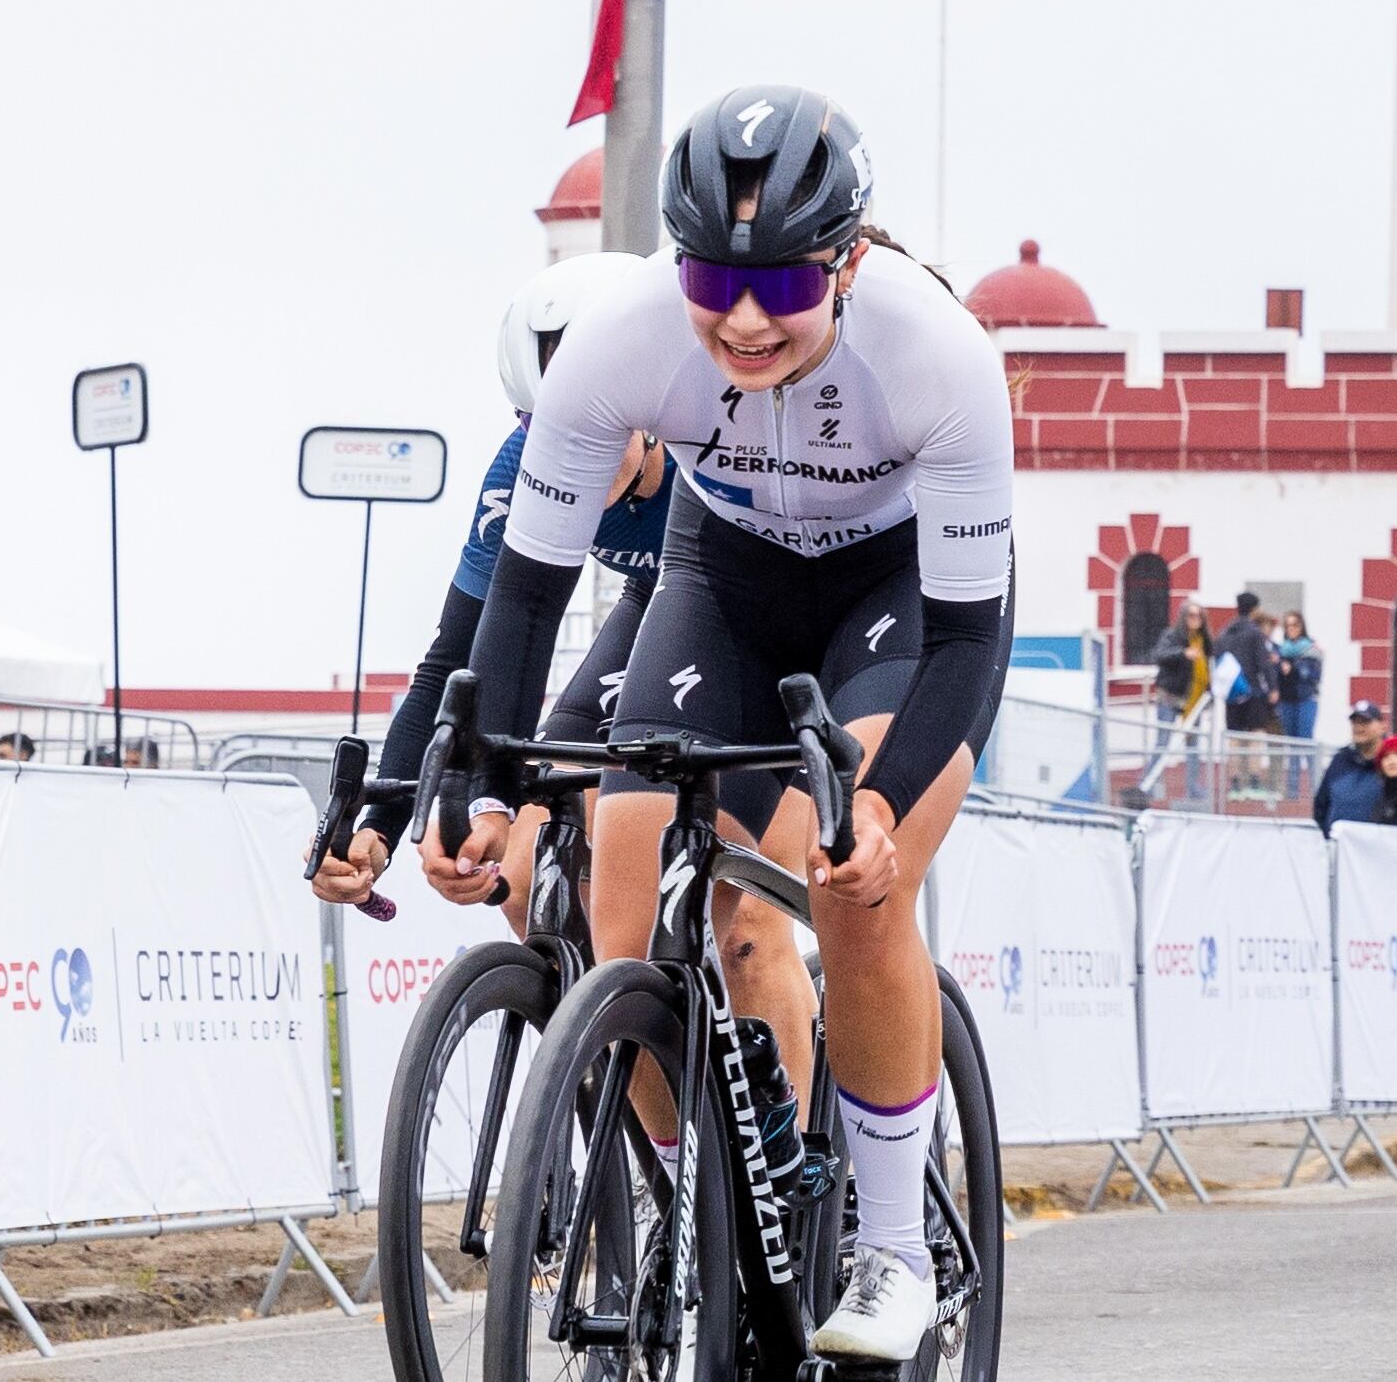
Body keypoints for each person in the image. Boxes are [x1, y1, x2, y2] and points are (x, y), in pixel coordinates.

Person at [419, 85, 1013, 1361]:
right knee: (626, 879)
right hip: (726, 578)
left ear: (847, 263)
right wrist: (482, 791)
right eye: (713, 283)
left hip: (897, 597)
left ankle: (893, 1250)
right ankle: (704, 1198)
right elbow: (526, 596)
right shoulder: (620, 342)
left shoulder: (940, 352)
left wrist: (876, 806)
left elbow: (969, 640)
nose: (744, 321)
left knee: (853, 887)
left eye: (783, 289)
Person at [310, 252, 692, 943]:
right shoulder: (521, 473)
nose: (576, 457)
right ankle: (605, 1010)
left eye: (599, 435)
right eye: (551, 434)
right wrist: (379, 827)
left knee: (726, 919)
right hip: (652, 603)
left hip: (753, 618)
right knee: (524, 878)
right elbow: (453, 660)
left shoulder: (705, 453)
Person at [1217, 591, 1281, 796]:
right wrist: (1272, 688)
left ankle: (1235, 784)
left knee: (1234, 737)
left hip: (1232, 692)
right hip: (1253, 691)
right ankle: (1254, 782)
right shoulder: (1255, 633)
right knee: (1256, 734)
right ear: (1254, 609)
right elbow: (1263, 663)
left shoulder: (1225, 633)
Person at [1149, 601, 1214, 795]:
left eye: (1199, 616)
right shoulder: (1172, 635)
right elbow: (1159, 655)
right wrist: (1183, 653)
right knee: (1163, 740)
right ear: (1183, 617)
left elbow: (1209, 665)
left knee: (1193, 744)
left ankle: (1192, 787)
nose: (1195, 620)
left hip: (1195, 699)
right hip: (1171, 695)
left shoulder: (1204, 640)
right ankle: (1150, 783)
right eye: (1191, 615)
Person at [1313, 700, 1391, 835]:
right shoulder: (1340, 760)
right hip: (1339, 844)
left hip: (1377, 844)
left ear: (1382, 726)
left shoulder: (1393, 761)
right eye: (1355, 722)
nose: (1358, 728)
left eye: (1365, 722)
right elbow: (1321, 804)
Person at [1274, 610, 1323, 799]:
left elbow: (1314, 675)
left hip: (1306, 699)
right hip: (1287, 701)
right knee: (1291, 744)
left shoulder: (1311, 649)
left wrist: (1293, 668)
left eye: (1295, 625)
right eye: (1288, 625)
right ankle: (1292, 790)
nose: (1291, 629)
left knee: (1306, 741)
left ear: (1302, 627)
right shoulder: (1281, 651)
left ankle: (1315, 788)